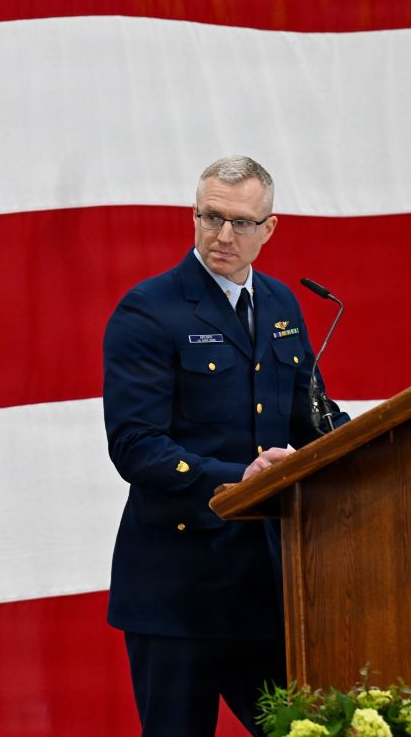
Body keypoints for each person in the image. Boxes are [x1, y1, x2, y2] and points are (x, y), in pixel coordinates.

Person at [102, 155, 346, 735]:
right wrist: (239, 476)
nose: (222, 236)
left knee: (299, 730)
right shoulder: (149, 310)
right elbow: (134, 445)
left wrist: (373, 443)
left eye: (240, 222)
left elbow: (311, 418)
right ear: (194, 215)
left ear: (270, 228)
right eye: (210, 217)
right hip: (176, 587)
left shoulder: (283, 306)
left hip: (261, 586)